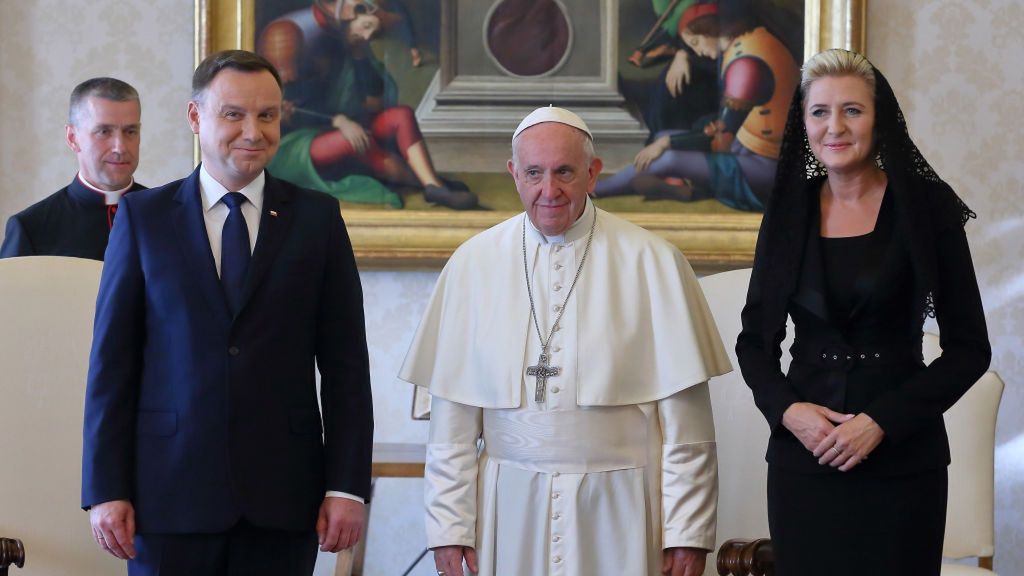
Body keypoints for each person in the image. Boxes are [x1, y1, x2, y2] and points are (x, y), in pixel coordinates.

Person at [401, 106, 731, 576]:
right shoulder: (472, 265)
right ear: (514, 174)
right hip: (506, 507)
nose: (548, 190)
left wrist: (688, 533)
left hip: (623, 509)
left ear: (593, 173)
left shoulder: (652, 261)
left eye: (564, 172)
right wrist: (450, 527)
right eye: (533, 173)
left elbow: (688, 428)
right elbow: (451, 430)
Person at [81, 50, 373, 576]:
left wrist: (347, 485)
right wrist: (104, 489)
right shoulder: (143, 220)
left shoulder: (318, 220)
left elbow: (347, 367)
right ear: (196, 118)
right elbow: (112, 366)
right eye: (233, 114)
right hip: (167, 496)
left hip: (285, 501)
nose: (253, 131)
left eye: (267, 115)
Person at [735, 49, 991, 575]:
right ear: (803, 122)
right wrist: (790, 412)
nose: (835, 127)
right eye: (820, 112)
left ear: (881, 120)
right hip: (804, 459)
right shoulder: (787, 212)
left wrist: (881, 422)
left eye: (853, 110)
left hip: (902, 461)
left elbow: (969, 349)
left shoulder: (926, 207)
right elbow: (753, 343)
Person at [258, 1, 478, 210]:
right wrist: (339, 120)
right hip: (298, 143)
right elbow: (286, 107)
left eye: (373, 33)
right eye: (365, 26)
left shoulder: (354, 50)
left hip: (342, 128)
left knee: (400, 115)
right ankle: (429, 183)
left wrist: (360, 58)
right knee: (356, 140)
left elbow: (374, 104)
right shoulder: (300, 39)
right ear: (349, 15)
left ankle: (433, 185)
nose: (367, 36)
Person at [594, 0, 800, 212]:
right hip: (748, 149)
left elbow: (721, 138)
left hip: (768, 169)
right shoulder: (750, 38)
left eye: (694, 43)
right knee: (662, 137)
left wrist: (667, 143)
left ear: (708, 30)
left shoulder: (745, 66)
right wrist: (665, 140)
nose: (697, 52)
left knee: (668, 155)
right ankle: (686, 190)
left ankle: (597, 189)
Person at [1, 77, 145, 260]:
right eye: (104, 131)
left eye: (130, 131)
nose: (120, 147)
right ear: (72, 138)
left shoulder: (169, 216)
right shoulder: (31, 227)